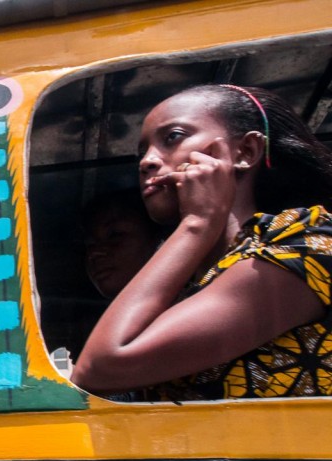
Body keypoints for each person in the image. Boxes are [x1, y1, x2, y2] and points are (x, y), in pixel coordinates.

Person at [72, 85, 332, 401]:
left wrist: (199, 222)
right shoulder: (186, 291)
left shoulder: (306, 239)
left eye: (173, 137)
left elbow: (102, 367)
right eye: (142, 153)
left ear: (245, 151)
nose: (148, 162)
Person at [84, 189, 165, 299]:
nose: (94, 253)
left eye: (115, 235)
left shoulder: (192, 304)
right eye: (89, 244)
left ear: (158, 239)